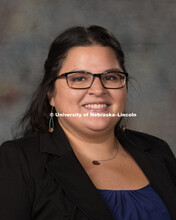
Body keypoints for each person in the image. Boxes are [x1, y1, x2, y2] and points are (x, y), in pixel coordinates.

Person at [0, 25, 176, 220]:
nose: (98, 90)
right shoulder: (20, 161)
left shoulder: (157, 151)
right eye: (79, 78)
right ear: (51, 94)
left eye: (110, 77)